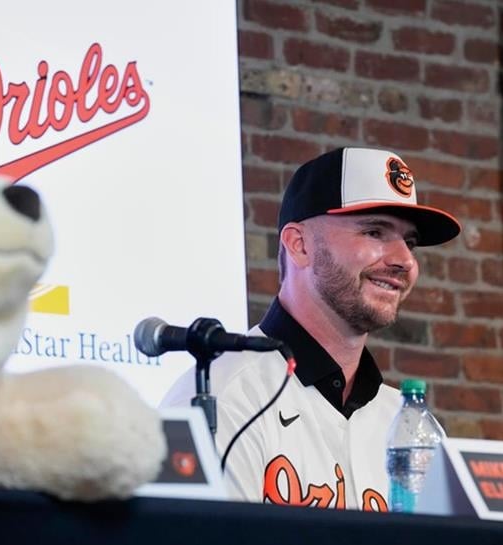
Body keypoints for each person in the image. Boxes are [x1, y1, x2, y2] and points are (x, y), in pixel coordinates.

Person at [159, 147, 460, 510]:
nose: (404, 260)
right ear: (299, 245)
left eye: (409, 242)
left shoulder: (405, 422)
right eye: (375, 231)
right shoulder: (221, 396)